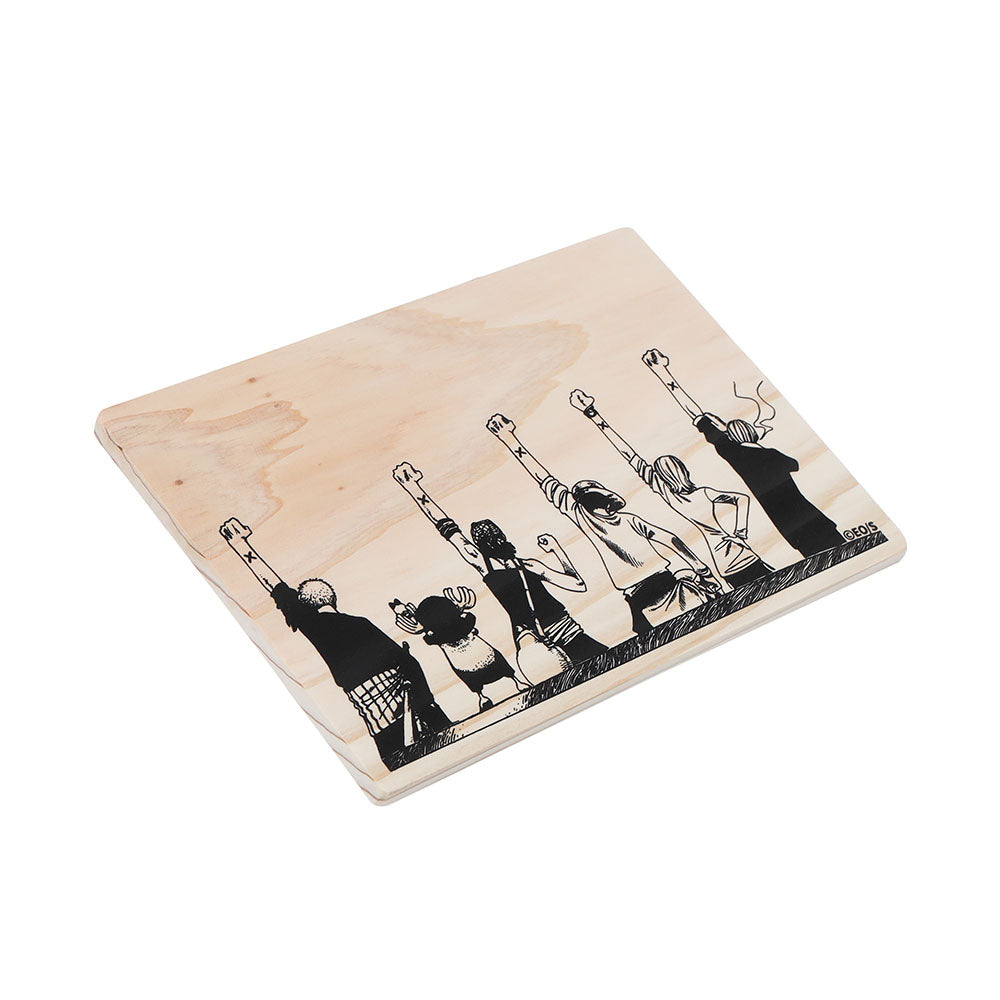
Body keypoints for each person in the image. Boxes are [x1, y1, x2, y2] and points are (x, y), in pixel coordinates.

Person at [219, 517, 450, 766]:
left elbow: (277, 589)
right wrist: (426, 701)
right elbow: (408, 663)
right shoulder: (361, 624)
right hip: (404, 702)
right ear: (332, 598)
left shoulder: (313, 627)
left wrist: (241, 545)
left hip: (373, 714)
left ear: (306, 606)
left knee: (396, 761)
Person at [485, 413, 722, 636]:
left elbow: (547, 481)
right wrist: (700, 568)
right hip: (652, 589)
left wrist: (510, 439)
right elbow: (670, 539)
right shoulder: (606, 518)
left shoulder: (590, 516)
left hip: (653, 589)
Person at [392, 462, 608, 673]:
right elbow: (578, 585)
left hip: (531, 637)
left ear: (479, 545)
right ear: (503, 537)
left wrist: (414, 488)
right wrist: (556, 549)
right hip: (562, 628)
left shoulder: (486, 567)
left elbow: (449, 529)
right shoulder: (530, 565)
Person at [642, 349, 843, 558]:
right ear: (748, 430)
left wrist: (663, 373)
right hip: (811, 517)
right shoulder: (772, 455)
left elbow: (699, 416)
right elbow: (795, 465)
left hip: (789, 527)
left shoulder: (736, 455)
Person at [568, 388, 773, 588]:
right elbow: (742, 498)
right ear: (684, 471)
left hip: (723, 565)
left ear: (662, 478)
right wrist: (740, 531)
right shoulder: (704, 493)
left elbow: (630, 456)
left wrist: (594, 416)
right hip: (743, 553)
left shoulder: (670, 496)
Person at [390, 588, 529, 711]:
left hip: (466, 662)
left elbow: (429, 638)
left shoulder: (439, 635)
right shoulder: (462, 624)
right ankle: (507, 685)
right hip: (477, 658)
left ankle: (489, 694)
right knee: (496, 667)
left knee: (482, 674)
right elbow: (469, 619)